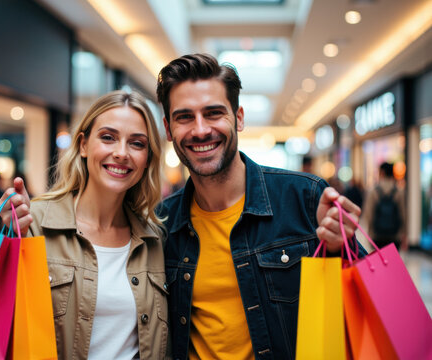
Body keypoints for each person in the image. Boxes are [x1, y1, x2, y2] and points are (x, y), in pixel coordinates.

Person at [155, 53, 363, 359]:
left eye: (213, 113)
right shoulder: (162, 222)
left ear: (238, 117)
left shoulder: (305, 198)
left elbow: (360, 302)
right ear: (168, 128)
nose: (200, 130)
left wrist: (342, 248)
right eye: (184, 117)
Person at [0, 90, 169, 359]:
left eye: (137, 143)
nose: (121, 153)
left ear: (147, 159)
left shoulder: (155, 240)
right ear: (83, 145)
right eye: (108, 137)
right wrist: (5, 235)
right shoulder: (36, 222)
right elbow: (0, 320)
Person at [362, 162, 406, 250]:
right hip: (394, 235)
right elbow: (403, 214)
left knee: (379, 261)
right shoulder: (399, 191)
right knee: (393, 261)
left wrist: (369, 232)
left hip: (377, 234)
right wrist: (404, 234)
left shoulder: (373, 191)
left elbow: (368, 214)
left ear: (382, 173)